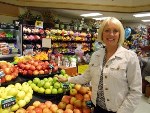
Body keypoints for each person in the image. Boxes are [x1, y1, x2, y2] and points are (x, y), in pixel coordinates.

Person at [55, 17, 142, 113]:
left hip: (118, 110)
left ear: (120, 34)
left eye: (115, 31)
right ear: (102, 33)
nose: (111, 34)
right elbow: (86, 77)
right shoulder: (96, 55)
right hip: (97, 108)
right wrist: (67, 79)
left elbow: (135, 91)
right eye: (107, 30)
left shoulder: (130, 57)